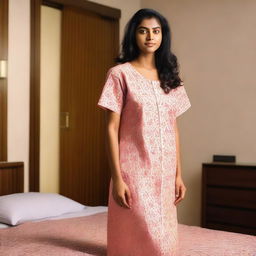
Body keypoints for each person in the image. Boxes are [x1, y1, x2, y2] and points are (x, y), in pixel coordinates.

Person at [97, 8, 191, 256]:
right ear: (133, 35)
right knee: (139, 237)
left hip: (165, 169)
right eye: (143, 31)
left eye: (156, 31)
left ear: (163, 36)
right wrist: (117, 178)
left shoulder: (171, 78)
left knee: (165, 243)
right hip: (134, 169)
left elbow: (174, 128)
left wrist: (178, 174)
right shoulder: (119, 74)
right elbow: (110, 128)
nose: (150, 36)